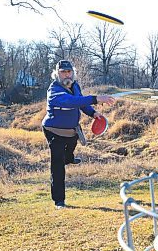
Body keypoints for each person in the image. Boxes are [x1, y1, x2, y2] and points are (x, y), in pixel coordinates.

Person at [42, 60, 115, 209]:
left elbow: (81, 103)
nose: (66, 74)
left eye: (69, 72)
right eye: (63, 72)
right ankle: (59, 201)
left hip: (71, 131)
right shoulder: (54, 90)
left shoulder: (75, 86)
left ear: (73, 73)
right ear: (57, 74)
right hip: (53, 131)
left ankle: (68, 158)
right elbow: (70, 101)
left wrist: (93, 113)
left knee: (69, 151)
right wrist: (96, 99)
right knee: (57, 164)